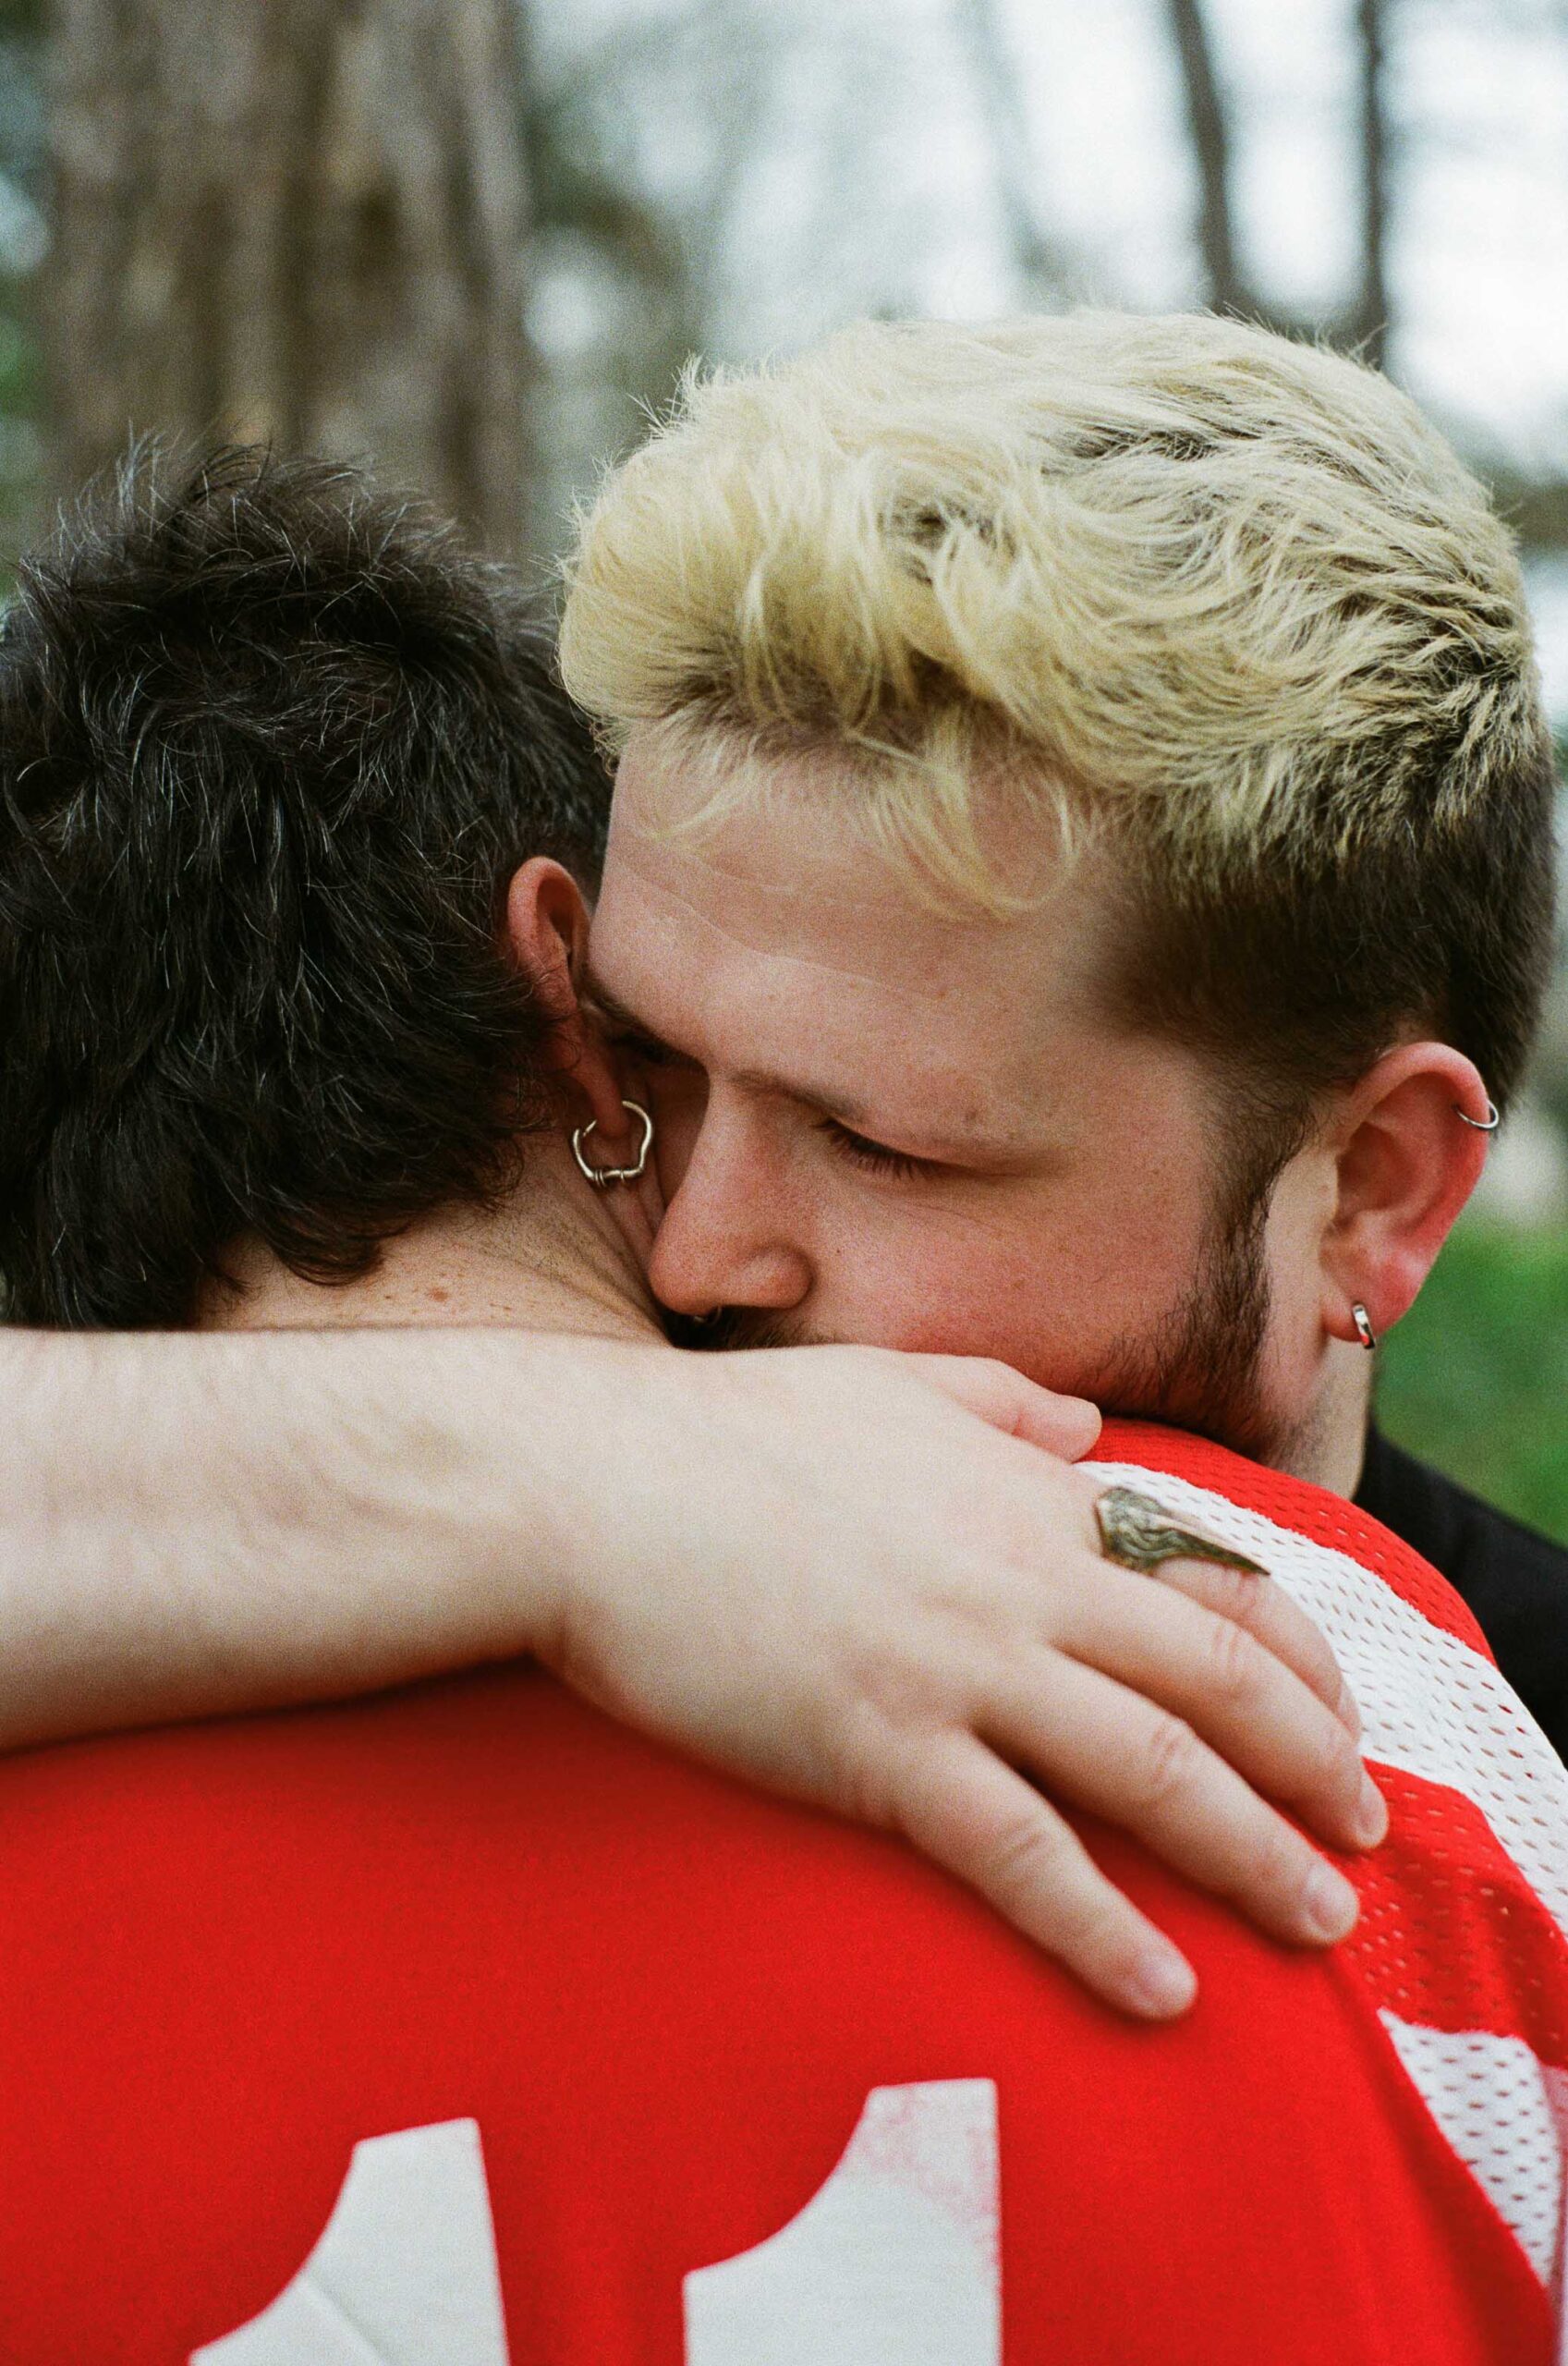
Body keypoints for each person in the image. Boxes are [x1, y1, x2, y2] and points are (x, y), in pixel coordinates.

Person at [2, 433, 1566, 2365]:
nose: (700, 1253)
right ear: (569, 996)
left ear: (1377, 1188)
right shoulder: (1417, 1761)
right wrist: (572, 1471)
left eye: (884, 1141)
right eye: (676, 1059)